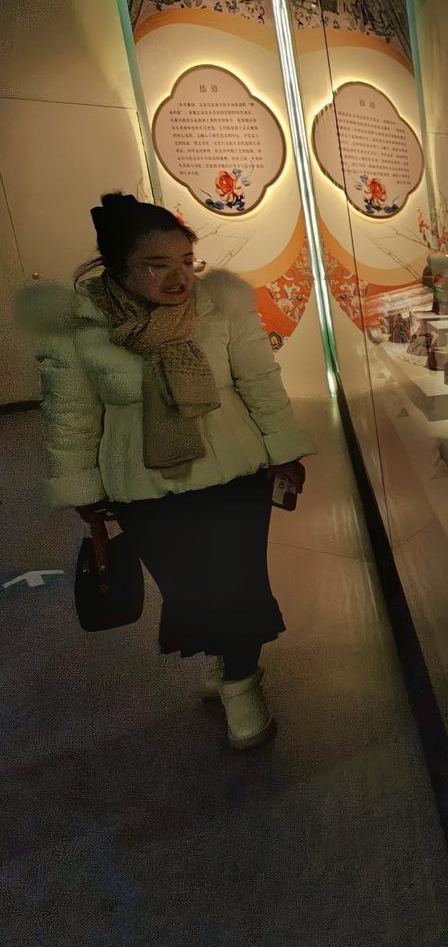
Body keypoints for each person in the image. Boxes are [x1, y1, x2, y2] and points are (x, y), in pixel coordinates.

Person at [24, 193, 314, 749]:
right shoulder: (79, 328)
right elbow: (72, 416)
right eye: (157, 265)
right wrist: (83, 490)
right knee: (189, 589)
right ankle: (225, 659)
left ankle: (240, 685)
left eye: (186, 261)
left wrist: (284, 450)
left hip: (233, 474)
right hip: (144, 486)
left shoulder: (221, 306)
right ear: (116, 267)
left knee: (240, 583)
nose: (179, 277)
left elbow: (260, 382)